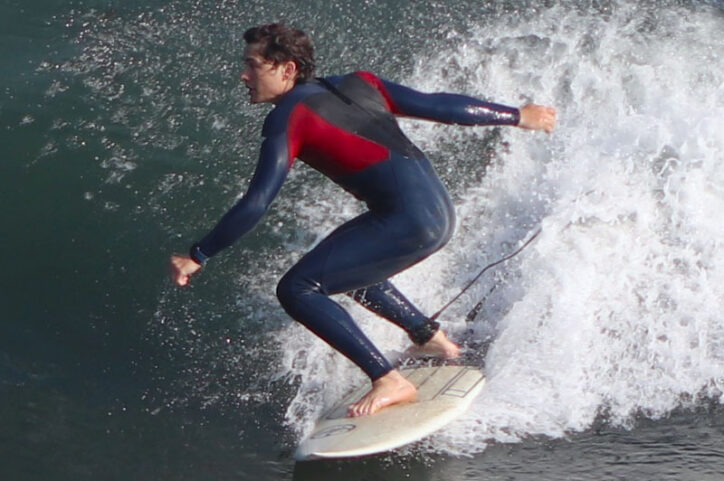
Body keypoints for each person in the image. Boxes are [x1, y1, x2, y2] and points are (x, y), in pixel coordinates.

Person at [170, 23, 556, 417]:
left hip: (408, 221)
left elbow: (256, 202)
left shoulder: (288, 117)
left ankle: (388, 379)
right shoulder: (360, 82)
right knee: (340, 265)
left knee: (297, 288)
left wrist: (199, 254)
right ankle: (429, 337)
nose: (244, 75)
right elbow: (437, 105)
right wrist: (516, 115)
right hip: (437, 212)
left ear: (286, 69)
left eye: (253, 66)